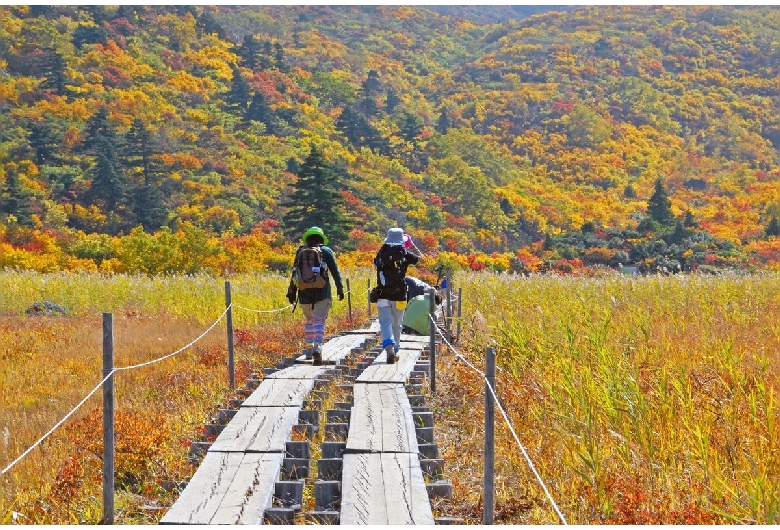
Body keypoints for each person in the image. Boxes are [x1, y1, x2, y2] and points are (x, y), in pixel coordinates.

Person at [286, 226, 344, 365]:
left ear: (307, 238)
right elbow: (335, 272)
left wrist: (291, 290)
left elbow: (295, 273)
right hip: (322, 291)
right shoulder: (326, 251)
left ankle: (308, 350)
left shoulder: (300, 251)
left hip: (304, 292)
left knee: (309, 321)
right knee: (319, 321)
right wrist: (340, 288)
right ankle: (318, 347)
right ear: (321, 238)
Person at [373, 227, 419, 364]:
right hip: (400, 294)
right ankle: (397, 349)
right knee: (397, 324)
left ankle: (389, 348)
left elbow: (376, 263)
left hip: (382, 293)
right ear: (401, 240)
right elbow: (419, 258)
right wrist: (410, 245)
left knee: (385, 322)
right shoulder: (405, 253)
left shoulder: (381, 252)